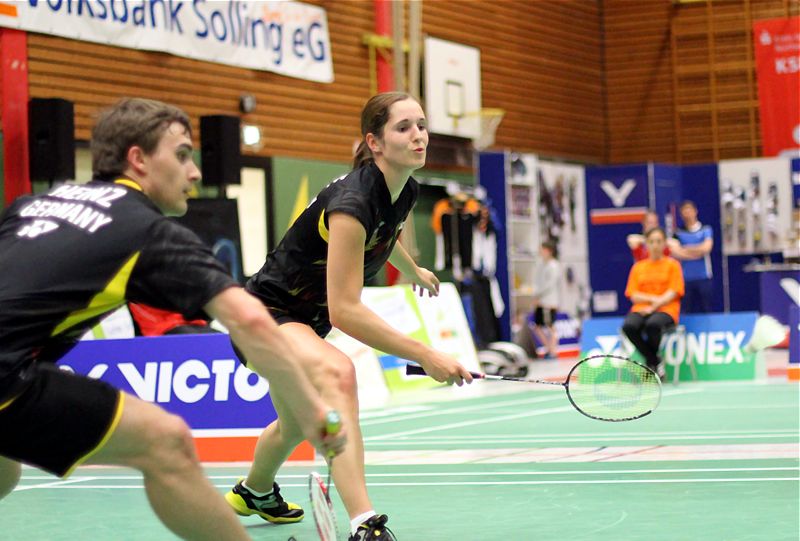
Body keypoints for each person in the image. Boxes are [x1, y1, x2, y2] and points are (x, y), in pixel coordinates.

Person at [0, 98, 346, 541]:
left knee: (4, 468)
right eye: (182, 155)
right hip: (6, 375)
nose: (196, 173)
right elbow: (252, 322)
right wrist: (312, 409)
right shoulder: (143, 228)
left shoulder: (35, 205)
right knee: (166, 441)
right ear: (138, 159)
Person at [225, 91, 474, 541]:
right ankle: (365, 523)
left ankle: (254, 491)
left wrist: (412, 267)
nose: (418, 135)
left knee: (298, 422)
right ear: (374, 142)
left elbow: (384, 234)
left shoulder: (403, 188)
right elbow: (345, 311)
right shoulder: (352, 202)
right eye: (403, 127)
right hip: (265, 314)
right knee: (338, 373)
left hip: (301, 318)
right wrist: (426, 354)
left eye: (421, 125)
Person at [622, 227, 684, 378]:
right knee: (629, 326)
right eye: (651, 242)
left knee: (653, 325)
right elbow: (633, 294)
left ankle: (651, 365)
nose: (655, 245)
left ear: (664, 244)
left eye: (658, 241)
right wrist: (651, 303)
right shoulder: (638, 267)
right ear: (646, 244)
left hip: (666, 309)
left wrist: (654, 307)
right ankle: (654, 360)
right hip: (642, 308)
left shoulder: (673, 265)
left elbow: (674, 292)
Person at [668, 200, 714, 313]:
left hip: (704, 277)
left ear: (695, 211)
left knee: (707, 308)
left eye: (690, 210)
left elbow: (706, 248)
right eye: (684, 210)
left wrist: (686, 248)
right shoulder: (677, 232)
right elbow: (675, 252)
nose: (687, 213)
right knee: (685, 309)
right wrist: (696, 252)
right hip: (685, 278)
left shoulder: (705, 229)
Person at [529, 241, 561, 360]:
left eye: (542, 249)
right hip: (541, 301)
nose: (540, 252)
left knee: (551, 326)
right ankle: (548, 348)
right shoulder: (541, 264)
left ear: (549, 251)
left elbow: (549, 285)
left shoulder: (553, 265)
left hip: (549, 302)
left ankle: (553, 351)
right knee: (537, 325)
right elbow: (539, 283)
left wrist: (538, 295)